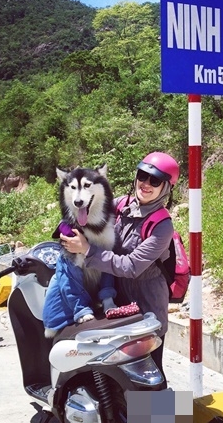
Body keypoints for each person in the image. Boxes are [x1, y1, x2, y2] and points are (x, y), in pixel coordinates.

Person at [60, 151, 180, 384]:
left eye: (155, 181)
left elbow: (131, 266)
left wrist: (88, 250)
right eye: (142, 176)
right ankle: (121, 411)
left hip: (147, 306)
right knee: (117, 374)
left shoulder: (162, 226)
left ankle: (168, 410)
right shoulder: (122, 205)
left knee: (150, 375)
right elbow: (91, 211)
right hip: (117, 299)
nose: (146, 184)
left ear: (166, 187)